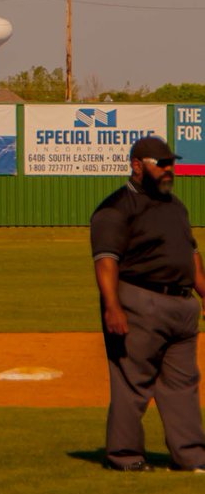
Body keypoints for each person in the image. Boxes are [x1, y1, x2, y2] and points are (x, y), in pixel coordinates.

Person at [90, 135, 205, 471]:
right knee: (132, 383)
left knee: (183, 384)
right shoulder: (116, 208)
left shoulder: (175, 205)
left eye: (172, 163)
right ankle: (125, 457)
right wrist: (113, 306)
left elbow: (191, 254)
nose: (170, 169)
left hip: (181, 307)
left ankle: (192, 456)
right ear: (137, 166)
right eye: (162, 164)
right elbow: (106, 260)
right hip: (140, 302)